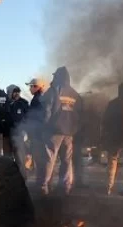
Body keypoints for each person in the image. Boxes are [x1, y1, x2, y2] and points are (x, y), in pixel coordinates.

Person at [33, 66, 83, 196]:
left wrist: (44, 127)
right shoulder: (74, 93)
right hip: (69, 133)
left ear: (58, 77)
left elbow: (47, 111)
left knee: (49, 159)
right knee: (67, 160)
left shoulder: (54, 90)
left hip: (53, 131)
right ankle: (65, 187)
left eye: (55, 76)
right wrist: (74, 128)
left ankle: (43, 186)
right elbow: (80, 113)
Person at [4, 84, 29, 177]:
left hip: (18, 134)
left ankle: (22, 177)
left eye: (18, 92)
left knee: (19, 157)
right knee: (7, 158)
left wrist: (25, 131)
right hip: (6, 134)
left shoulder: (24, 103)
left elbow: (28, 118)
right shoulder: (6, 103)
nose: (17, 94)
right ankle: (9, 178)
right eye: (14, 92)